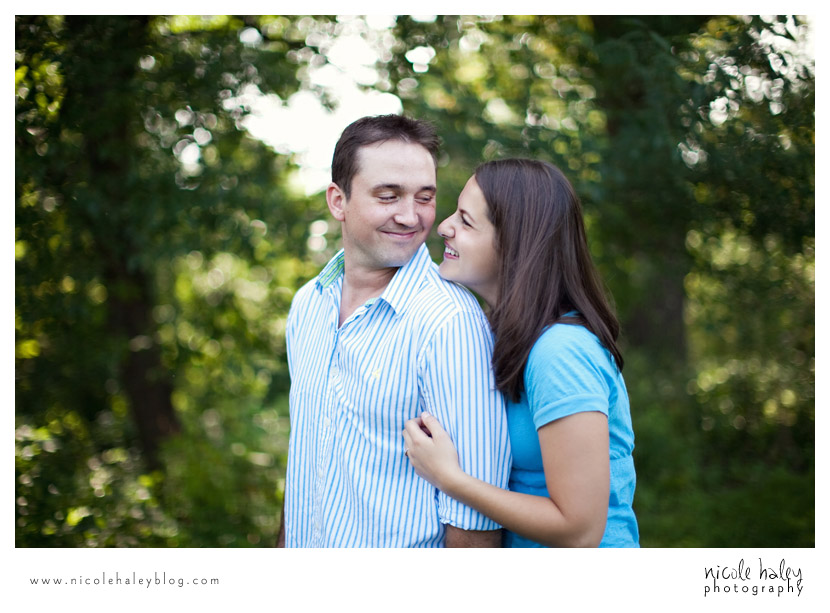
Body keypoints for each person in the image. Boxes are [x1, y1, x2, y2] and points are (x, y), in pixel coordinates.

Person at [278, 115, 511, 547]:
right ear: (337, 201)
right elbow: (305, 464)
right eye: (388, 196)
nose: (410, 217)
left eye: (425, 198)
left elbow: (475, 524)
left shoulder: (449, 322)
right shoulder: (308, 305)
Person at [402, 158, 639, 547]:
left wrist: (450, 479)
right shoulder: (503, 336)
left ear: (514, 241)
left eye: (465, 221)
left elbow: (580, 530)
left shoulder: (561, 352)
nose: (444, 227)